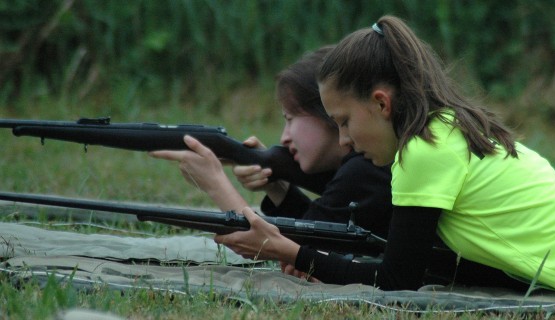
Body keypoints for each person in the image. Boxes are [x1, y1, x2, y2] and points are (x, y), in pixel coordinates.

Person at [212, 16, 555, 308]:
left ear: (381, 102)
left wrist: (292, 252)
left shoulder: (424, 149)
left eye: (346, 122)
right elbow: (436, 266)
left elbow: (397, 283)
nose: (344, 142)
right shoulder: (445, 130)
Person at [149, 46, 393, 276]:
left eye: (290, 119)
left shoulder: (363, 171)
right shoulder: (364, 167)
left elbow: (284, 250)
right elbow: (319, 231)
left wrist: (214, 183)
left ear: (329, 114)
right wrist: (277, 188)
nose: (284, 137)